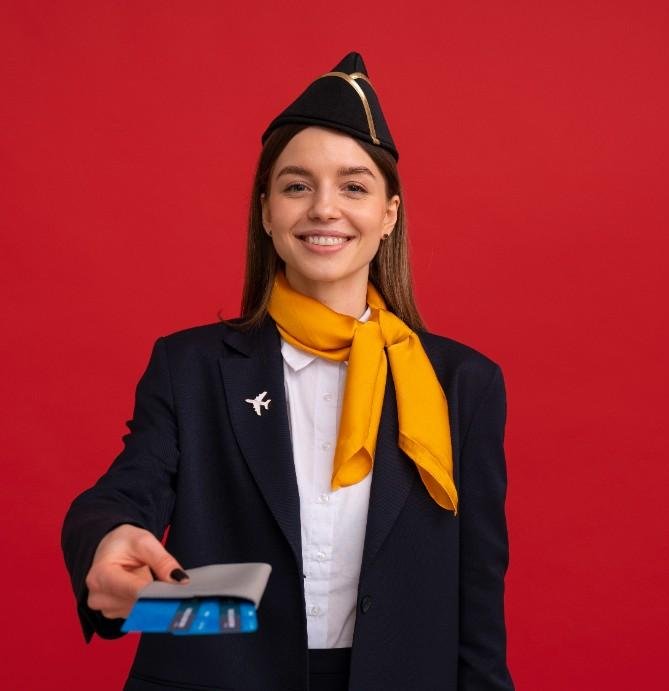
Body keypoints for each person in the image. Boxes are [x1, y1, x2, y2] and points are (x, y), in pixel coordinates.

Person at [61, 52, 515, 691]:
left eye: (354, 186)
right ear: (267, 211)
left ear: (388, 215)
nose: (324, 209)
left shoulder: (462, 384)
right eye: (297, 186)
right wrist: (110, 537)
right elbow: (125, 490)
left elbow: (477, 605)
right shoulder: (190, 366)